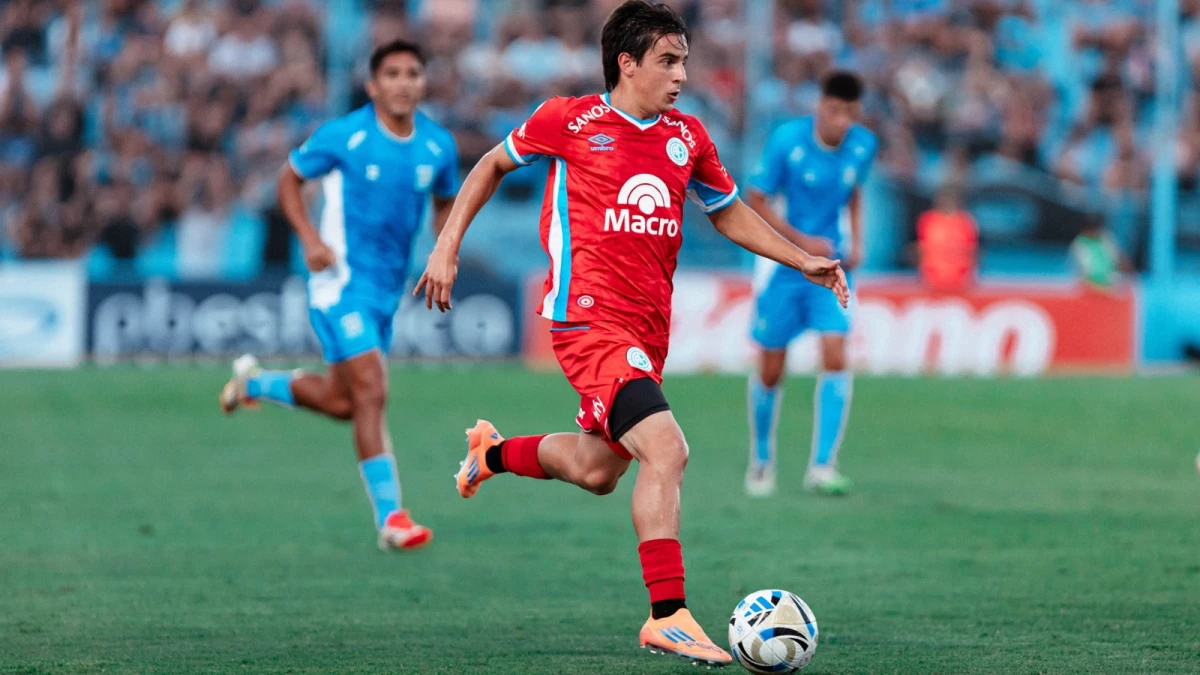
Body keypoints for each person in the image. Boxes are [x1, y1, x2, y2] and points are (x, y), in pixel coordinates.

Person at [414, 1, 847, 665]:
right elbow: (491, 166)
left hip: (646, 331)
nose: (681, 75)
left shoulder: (689, 137)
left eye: (684, 61)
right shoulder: (569, 119)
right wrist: (446, 246)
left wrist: (802, 257)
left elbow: (728, 215)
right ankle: (666, 612)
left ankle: (491, 453)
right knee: (667, 450)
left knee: (598, 469)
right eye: (668, 61)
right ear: (628, 62)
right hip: (587, 320)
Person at [219, 40, 459, 551]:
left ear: (423, 83)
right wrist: (308, 238)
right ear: (373, 86)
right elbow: (288, 179)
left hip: (386, 293)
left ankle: (255, 386)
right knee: (372, 389)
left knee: (344, 402)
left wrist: (446, 246)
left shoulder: (438, 146)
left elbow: (445, 203)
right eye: (391, 73)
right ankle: (391, 518)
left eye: (412, 72)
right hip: (338, 285)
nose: (403, 82)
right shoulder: (344, 135)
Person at [744, 70, 877, 498]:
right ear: (820, 105)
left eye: (849, 113)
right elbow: (756, 197)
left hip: (832, 268)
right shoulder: (787, 141)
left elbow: (854, 189)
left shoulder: (863, 145)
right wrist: (800, 245)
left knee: (836, 354)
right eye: (835, 110)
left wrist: (857, 237)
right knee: (771, 366)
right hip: (784, 266)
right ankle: (761, 460)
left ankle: (823, 465)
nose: (842, 121)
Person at [916, 183, 978, 292]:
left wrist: (969, 276)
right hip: (933, 276)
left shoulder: (966, 221)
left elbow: (971, 250)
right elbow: (923, 248)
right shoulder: (928, 220)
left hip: (960, 278)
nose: (948, 203)